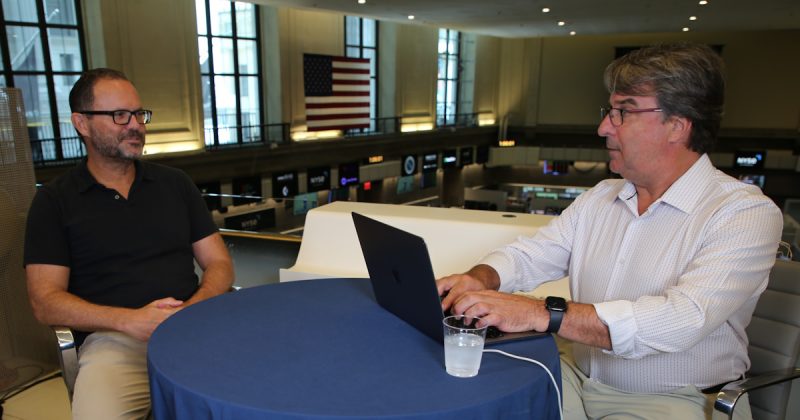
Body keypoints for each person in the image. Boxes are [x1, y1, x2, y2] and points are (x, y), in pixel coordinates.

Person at [437, 43, 782, 420]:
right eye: (609, 111)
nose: (604, 127)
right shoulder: (601, 196)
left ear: (678, 126)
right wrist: (479, 279)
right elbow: (532, 254)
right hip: (573, 376)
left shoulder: (744, 213)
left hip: (676, 401)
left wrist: (542, 314)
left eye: (624, 111)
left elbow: (682, 320)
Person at [23, 68, 234, 419]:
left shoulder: (175, 184)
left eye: (139, 114)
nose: (135, 125)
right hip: (115, 341)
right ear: (82, 123)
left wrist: (195, 308)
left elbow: (220, 264)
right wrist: (129, 321)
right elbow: (45, 302)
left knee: (262, 393)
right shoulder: (55, 202)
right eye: (120, 115)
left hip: (195, 325)